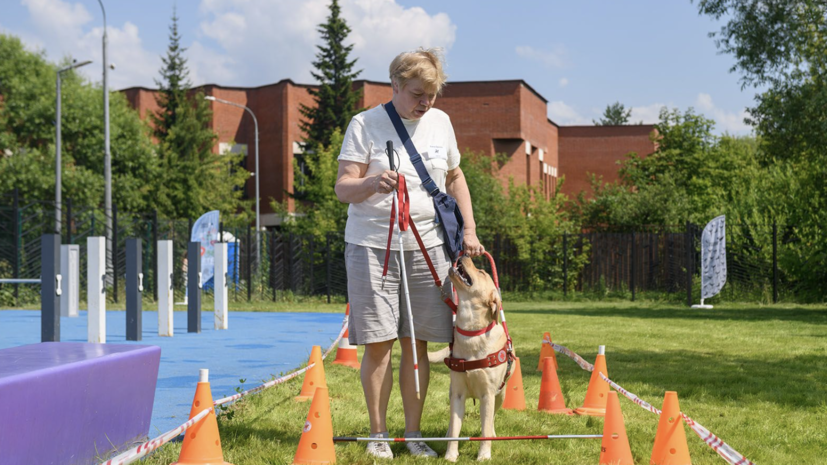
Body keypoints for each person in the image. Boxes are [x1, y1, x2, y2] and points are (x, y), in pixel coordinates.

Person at [335, 48, 484, 459]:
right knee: (379, 343)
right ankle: (378, 435)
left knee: (416, 343)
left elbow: (455, 177)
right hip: (372, 247)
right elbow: (343, 186)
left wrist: (468, 229)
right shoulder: (364, 124)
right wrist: (369, 184)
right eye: (418, 93)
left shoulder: (442, 122)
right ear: (396, 85)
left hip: (428, 248)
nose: (426, 102)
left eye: (433, 94)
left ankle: (413, 435)